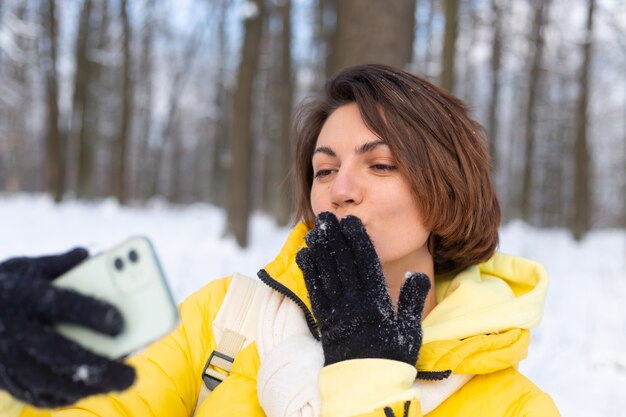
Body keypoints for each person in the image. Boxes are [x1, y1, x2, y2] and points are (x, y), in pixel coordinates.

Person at [0, 64, 560, 416]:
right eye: (323, 169)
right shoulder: (226, 319)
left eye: (380, 165)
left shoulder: (514, 406)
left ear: (447, 190)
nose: (340, 190)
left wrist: (365, 384)